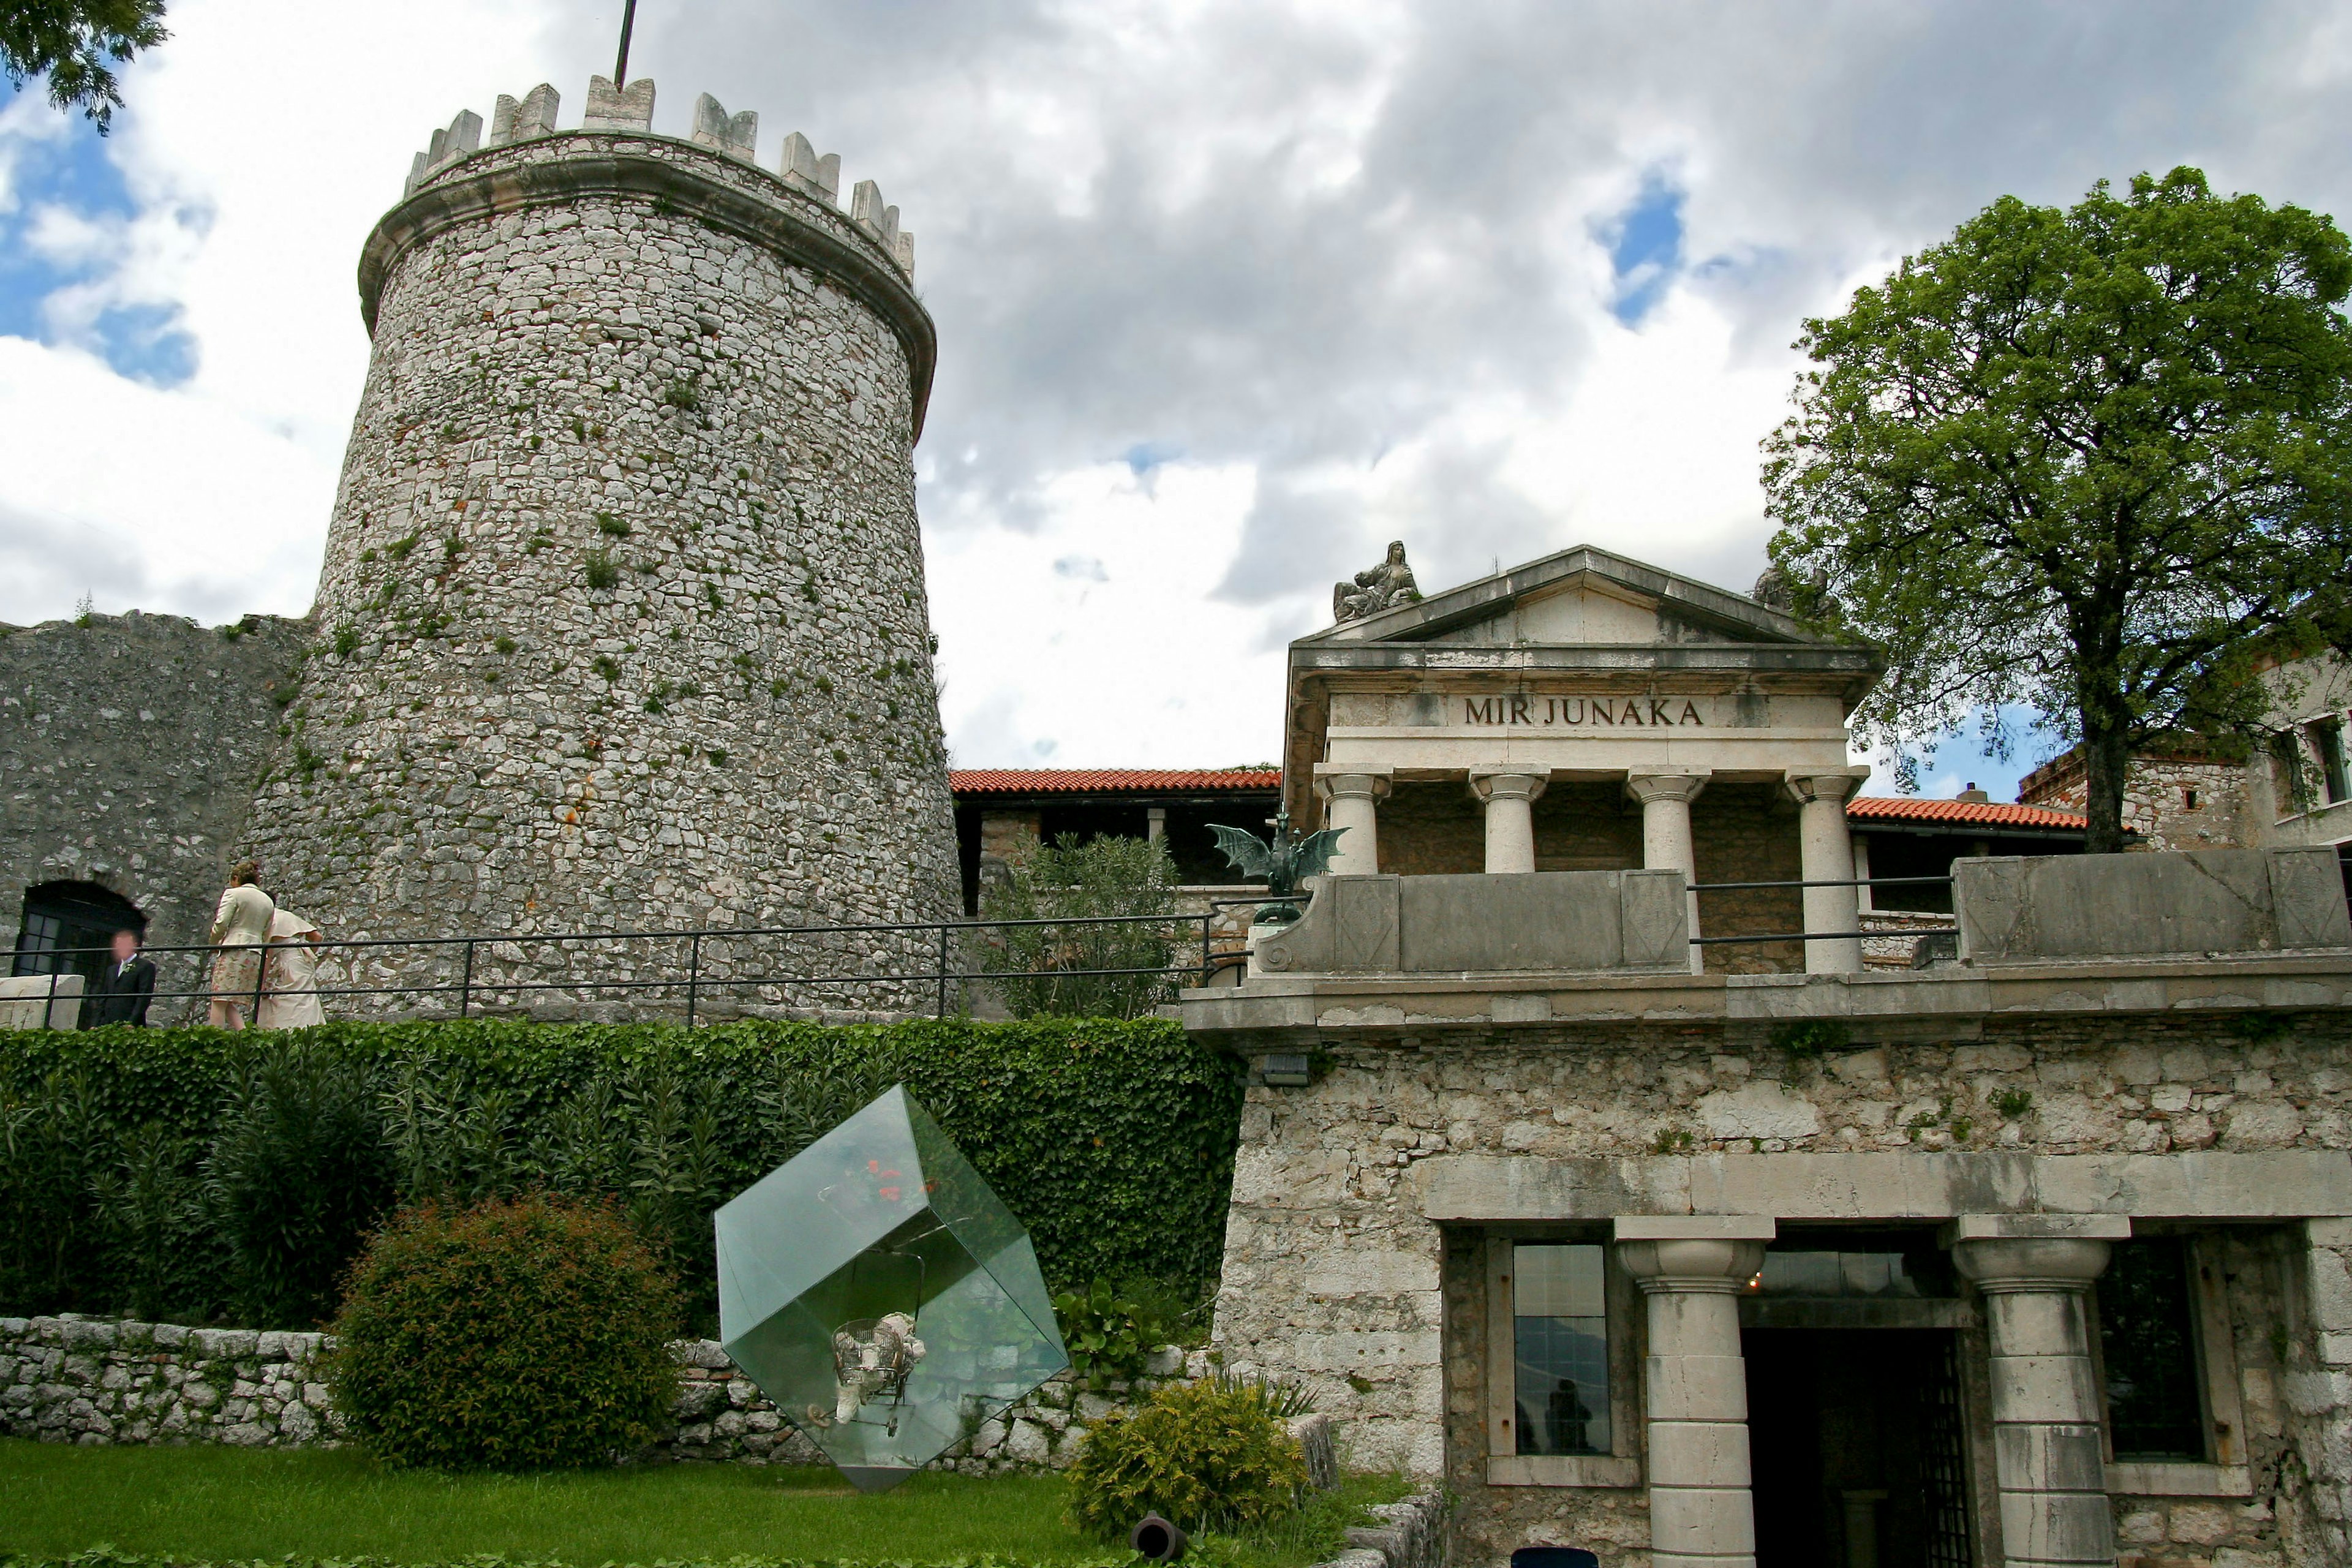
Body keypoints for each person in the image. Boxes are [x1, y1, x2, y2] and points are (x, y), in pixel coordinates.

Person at [208, 861, 276, 1030]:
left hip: (234, 947)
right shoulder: (268, 901)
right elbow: (267, 931)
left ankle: (213, 1038)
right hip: (255, 951)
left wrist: (214, 942)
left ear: (236, 878)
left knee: (218, 998)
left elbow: (222, 923)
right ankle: (244, 1034)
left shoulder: (234, 894)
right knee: (226, 999)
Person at [258, 908, 328, 1030]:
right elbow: (318, 937)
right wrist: (309, 954)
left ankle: (288, 1029)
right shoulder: (287, 916)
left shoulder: (270, 918)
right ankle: (311, 1029)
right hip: (304, 960)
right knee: (305, 997)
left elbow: (268, 956)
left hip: (289, 962)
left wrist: (262, 982)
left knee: (289, 998)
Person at [86, 929, 157, 1028]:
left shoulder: (145, 966)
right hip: (107, 1022)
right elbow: (103, 997)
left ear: (134, 945)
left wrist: (131, 1022)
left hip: (127, 1022)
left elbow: (143, 997)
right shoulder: (112, 970)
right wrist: (95, 1024)